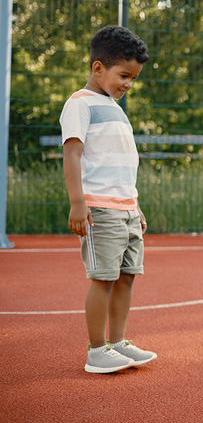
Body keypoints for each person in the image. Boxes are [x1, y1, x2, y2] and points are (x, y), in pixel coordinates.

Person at [60, 25, 157, 374]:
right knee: (103, 277)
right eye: (124, 75)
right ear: (98, 68)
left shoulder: (114, 106)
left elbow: (120, 163)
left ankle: (118, 343)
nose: (128, 83)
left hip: (126, 209)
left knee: (127, 275)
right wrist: (77, 202)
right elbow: (72, 156)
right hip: (99, 209)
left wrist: (135, 204)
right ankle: (96, 350)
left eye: (133, 78)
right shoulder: (79, 104)